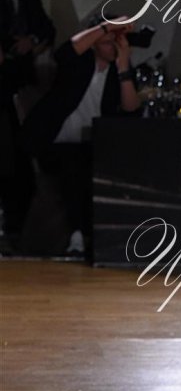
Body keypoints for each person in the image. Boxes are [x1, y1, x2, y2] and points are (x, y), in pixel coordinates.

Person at [21, 14, 142, 256]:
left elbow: (131, 109)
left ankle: (108, 238)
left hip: (94, 146)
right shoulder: (79, 63)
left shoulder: (119, 72)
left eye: (117, 42)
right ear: (94, 43)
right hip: (54, 141)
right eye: (107, 42)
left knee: (101, 164)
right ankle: (77, 235)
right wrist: (106, 27)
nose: (113, 47)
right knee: (73, 163)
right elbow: (64, 52)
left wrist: (123, 68)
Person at [0, 0, 56, 248]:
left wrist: (31, 43)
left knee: (23, 160)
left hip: (23, 86)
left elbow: (47, 30)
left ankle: (15, 230)